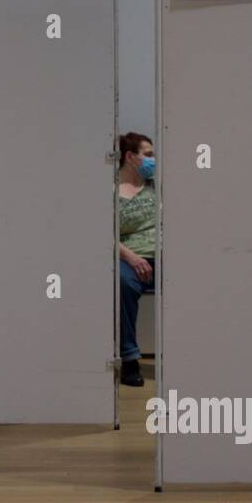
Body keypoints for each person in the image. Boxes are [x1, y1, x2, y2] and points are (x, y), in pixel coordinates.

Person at [117, 132, 156, 387]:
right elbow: (100, 233)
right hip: (130, 257)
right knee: (122, 282)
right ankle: (130, 358)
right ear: (130, 157)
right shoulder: (110, 191)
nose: (154, 161)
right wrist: (131, 258)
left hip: (166, 256)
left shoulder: (157, 186)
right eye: (149, 155)